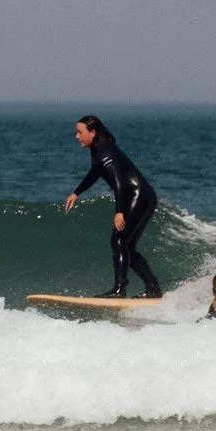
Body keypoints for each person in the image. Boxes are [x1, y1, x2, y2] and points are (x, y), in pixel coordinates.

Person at [62, 115, 163, 299]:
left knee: (118, 241)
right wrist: (76, 193)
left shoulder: (104, 150)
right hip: (146, 196)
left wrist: (119, 212)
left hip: (137, 196)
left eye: (80, 132)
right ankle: (153, 288)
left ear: (92, 132)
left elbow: (119, 183)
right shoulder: (99, 148)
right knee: (127, 247)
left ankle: (119, 289)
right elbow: (96, 172)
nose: (77, 136)